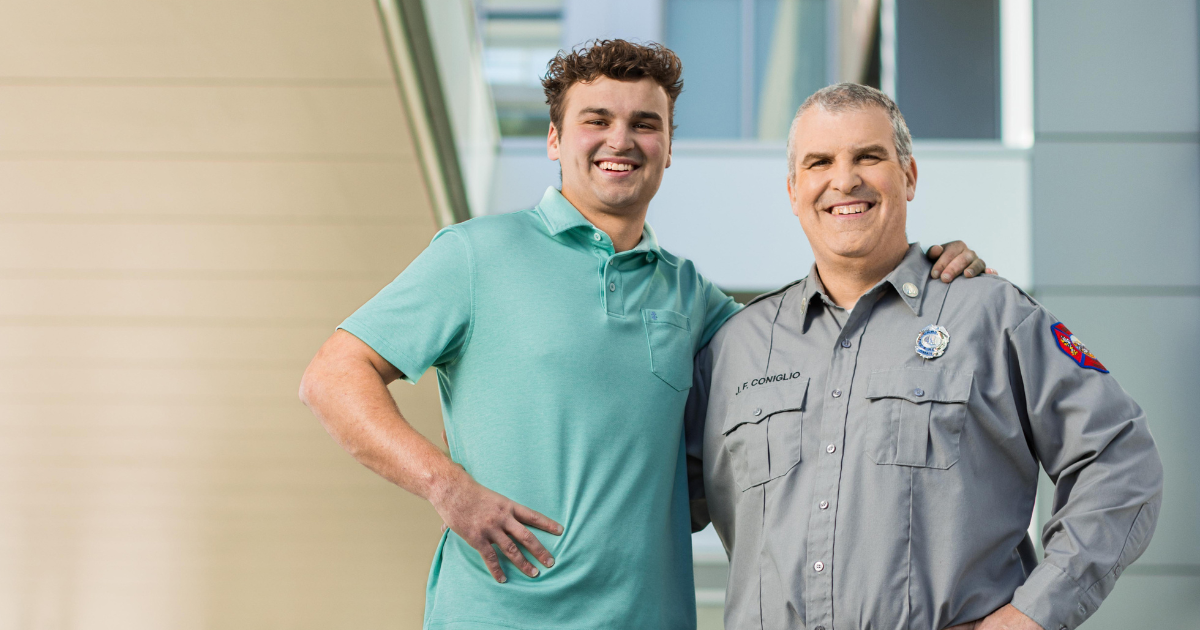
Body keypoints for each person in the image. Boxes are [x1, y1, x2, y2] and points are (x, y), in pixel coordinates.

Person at [299, 41, 985, 630]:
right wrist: (447, 487)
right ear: (555, 139)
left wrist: (921, 265)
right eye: (596, 120)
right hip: (497, 615)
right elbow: (333, 375)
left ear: (667, 147)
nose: (621, 140)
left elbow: (828, 335)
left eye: (645, 123)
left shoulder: (693, 298)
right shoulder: (477, 255)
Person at [685, 83, 1164, 630]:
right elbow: (649, 498)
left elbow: (1120, 456)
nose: (845, 180)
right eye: (820, 162)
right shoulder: (733, 350)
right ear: (794, 190)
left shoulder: (990, 315)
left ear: (908, 176)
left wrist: (1033, 614)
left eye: (869, 156)